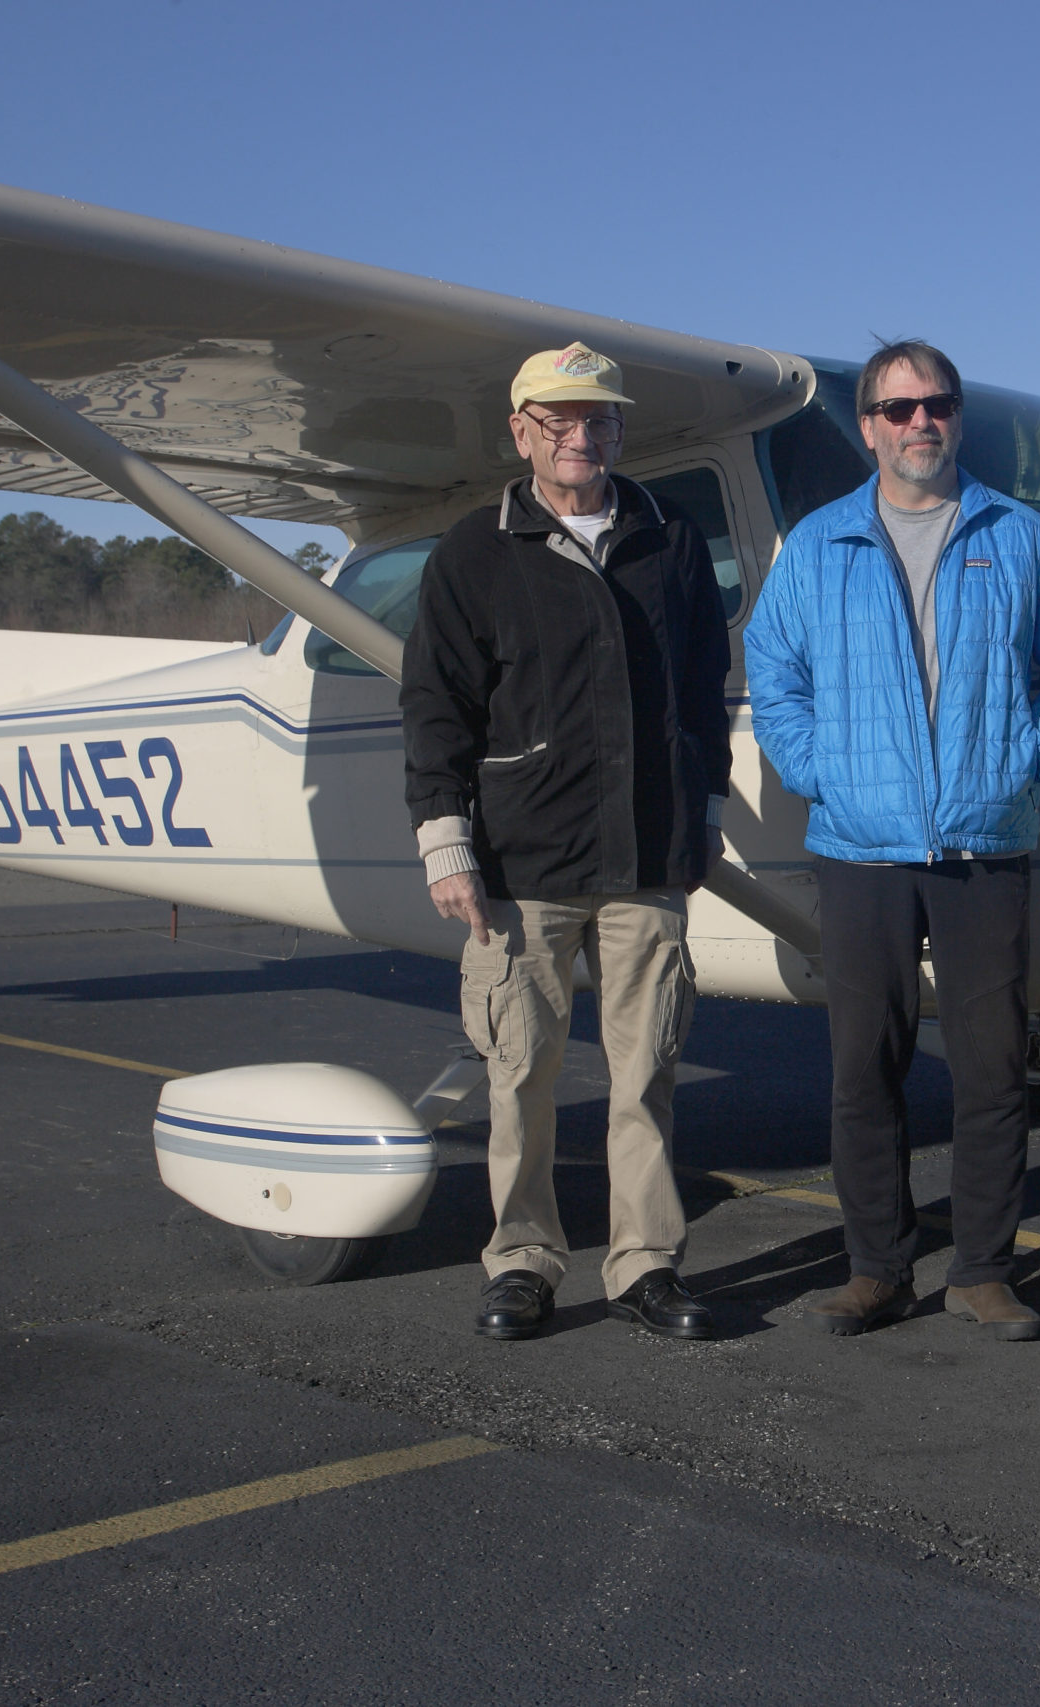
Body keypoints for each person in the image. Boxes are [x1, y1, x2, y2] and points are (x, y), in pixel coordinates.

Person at [743, 340, 1040, 1340]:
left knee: (991, 1072)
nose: (921, 422)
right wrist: (820, 769)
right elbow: (772, 669)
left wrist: (1023, 759)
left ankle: (982, 1273)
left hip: (984, 843)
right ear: (868, 426)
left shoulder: (1018, 535)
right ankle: (877, 1269)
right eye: (898, 408)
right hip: (858, 848)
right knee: (865, 1070)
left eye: (937, 404)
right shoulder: (817, 545)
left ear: (957, 417)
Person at [401, 342, 732, 1342]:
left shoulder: (670, 538)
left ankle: (644, 1264)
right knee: (520, 1076)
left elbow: (702, 691)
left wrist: (704, 813)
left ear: (620, 431)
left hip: (646, 857)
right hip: (523, 862)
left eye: (600, 419)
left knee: (645, 1075)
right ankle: (523, 1261)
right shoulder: (474, 550)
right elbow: (436, 704)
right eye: (559, 420)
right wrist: (446, 841)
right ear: (522, 433)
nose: (581, 436)